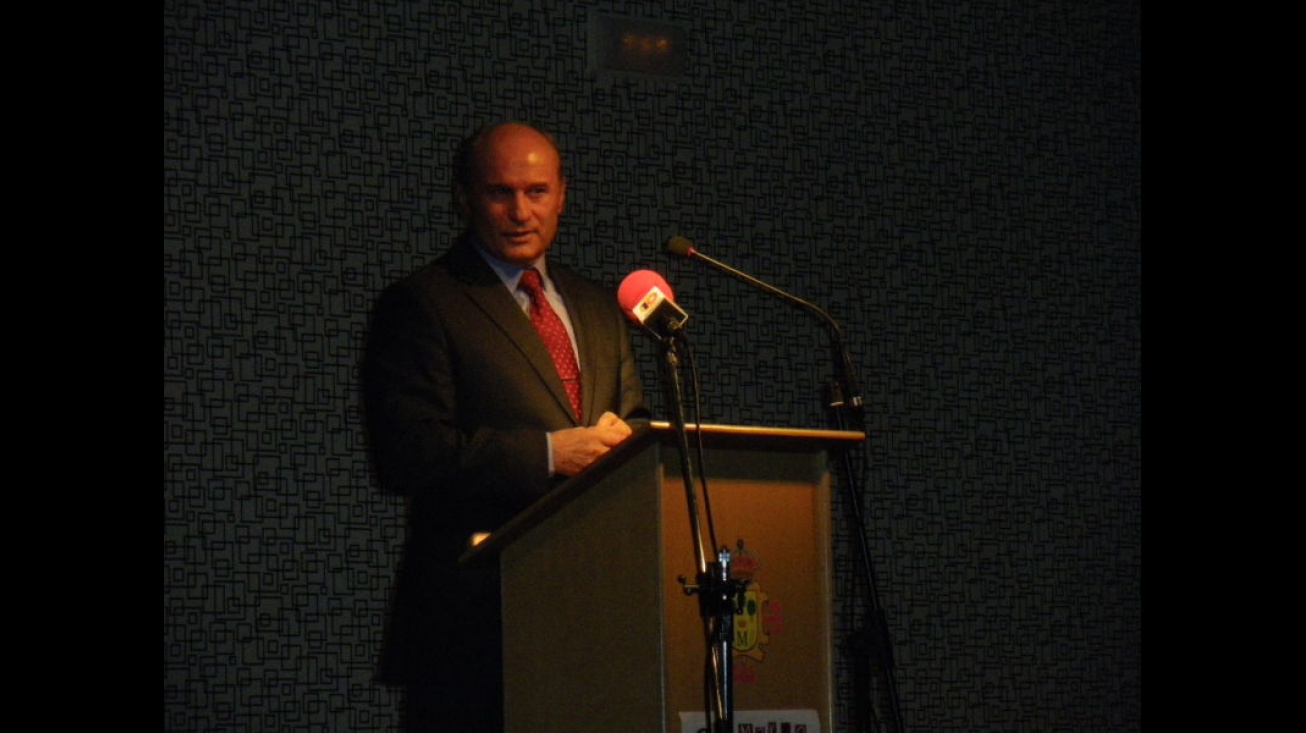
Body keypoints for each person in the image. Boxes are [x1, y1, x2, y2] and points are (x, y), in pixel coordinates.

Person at [362, 122, 647, 731]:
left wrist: (628, 445)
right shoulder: (424, 303)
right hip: (474, 619)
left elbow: (633, 419)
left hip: (599, 612)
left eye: (537, 191)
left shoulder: (598, 306)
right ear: (464, 198)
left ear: (563, 194)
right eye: (499, 192)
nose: (520, 211)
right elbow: (407, 454)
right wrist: (548, 453)